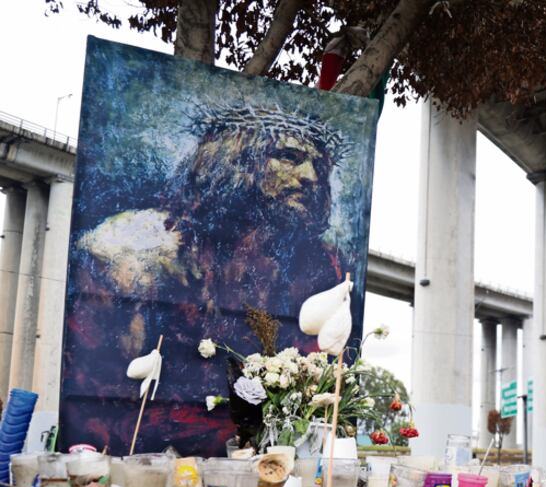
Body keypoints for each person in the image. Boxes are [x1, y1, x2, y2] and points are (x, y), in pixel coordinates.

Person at [62, 104, 353, 455]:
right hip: (140, 454)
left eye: (318, 166)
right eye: (288, 157)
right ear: (237, 158)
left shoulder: (319, 266)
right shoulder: (141, 246)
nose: (310, 176)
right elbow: (102, 375)